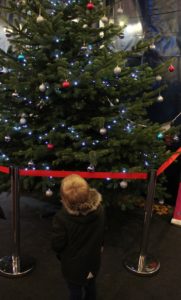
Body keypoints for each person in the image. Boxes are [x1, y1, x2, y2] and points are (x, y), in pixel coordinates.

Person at [52, 174, 105, 300]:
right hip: (93, 260)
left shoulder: (61, 218)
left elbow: (57, 244)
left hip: (72, 266)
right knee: (91, 286)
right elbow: (103, 230)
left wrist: (60, 253)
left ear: (64, 199)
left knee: (75, 291)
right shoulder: (100, 209)